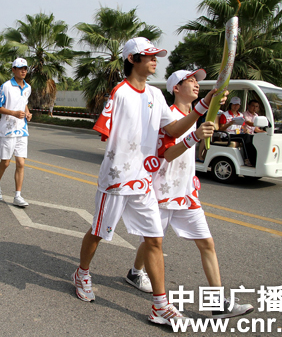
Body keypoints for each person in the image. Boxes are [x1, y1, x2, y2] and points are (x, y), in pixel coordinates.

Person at [71, 37, 223, 327]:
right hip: (116, 179)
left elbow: (173, 127)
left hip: (143, 181)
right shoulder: (119, 93)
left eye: (157, 56)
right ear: (132, 60)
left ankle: (160, 305)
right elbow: (104, 131)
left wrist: (203, 106)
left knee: (154, 240)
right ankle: (82, 272)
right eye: (150, 56)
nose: (155, 61)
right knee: (99, 232)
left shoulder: (155, 94)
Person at [125, 70, 253, 319]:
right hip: (161, 192)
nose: (196, 84)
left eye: (197, 81)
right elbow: (167, 154)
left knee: (206, 243)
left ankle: (218, 303)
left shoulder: (193, 116)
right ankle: (135, 272)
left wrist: (215, 101)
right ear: (176, 88)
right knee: (152, 241)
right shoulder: (167, 117)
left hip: (186, 193)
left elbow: (208, 116)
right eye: (191, 81)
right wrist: (195, 136)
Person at [0, 57, 32, 207]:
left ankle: (18, 195)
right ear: (13, 70)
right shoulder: (6, 87)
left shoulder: (28, 87)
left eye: (25, 68)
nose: (23, 71)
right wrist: (13, 113)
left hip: (22, 130)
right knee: (6, 162)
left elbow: (25, 103)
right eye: (20, 68)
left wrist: (27, 113)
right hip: (7, 131)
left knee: (21, 162)